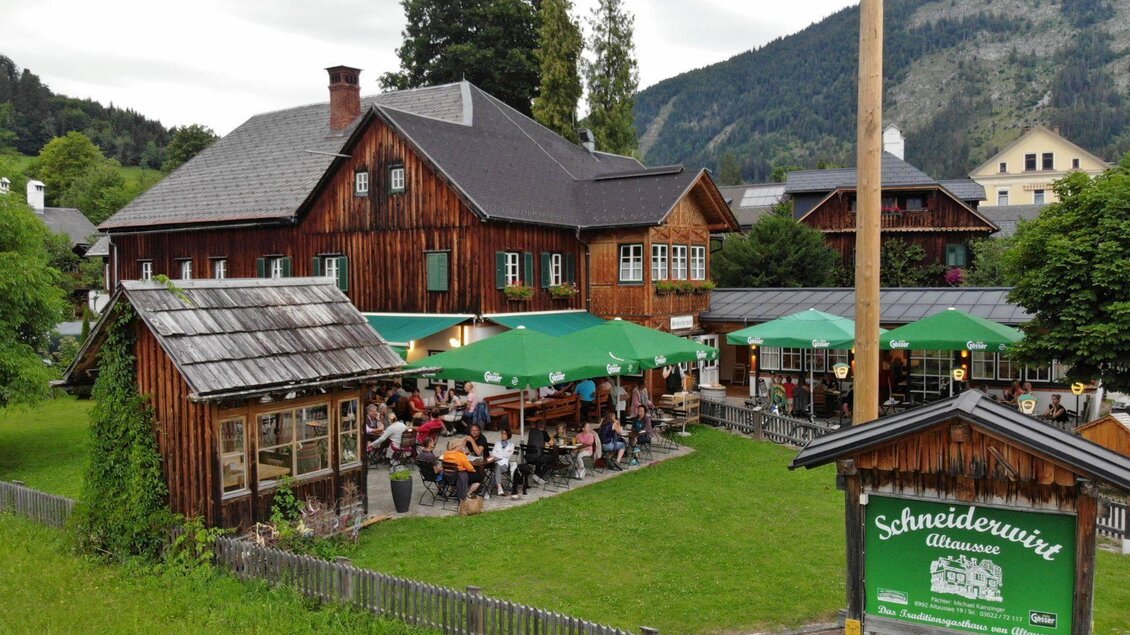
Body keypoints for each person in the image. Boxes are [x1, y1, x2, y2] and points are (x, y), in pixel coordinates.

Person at [490, 428, 518, 498]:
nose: (502, 435)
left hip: (504, 465)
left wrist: (498, 453)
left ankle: (488, 490)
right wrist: (502, 454)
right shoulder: (497, 443)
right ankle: (499, 487)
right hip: (496, 463)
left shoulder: (511, 445)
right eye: (502, 433)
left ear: (508, 435)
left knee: (496, 468)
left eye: (504, 434)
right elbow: (493, 453)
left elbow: (508, 455)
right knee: (496, 466)